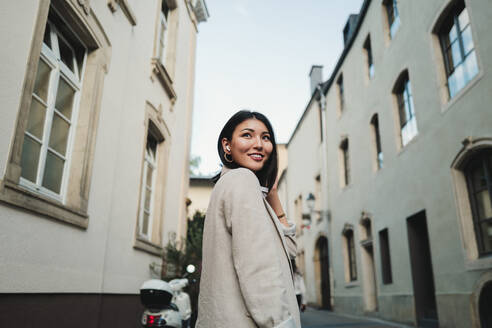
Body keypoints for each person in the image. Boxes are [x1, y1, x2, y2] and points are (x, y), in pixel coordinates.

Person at [196, 110, 300, 328]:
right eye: (247, 135)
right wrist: (281, 323)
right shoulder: (242, 181)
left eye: (266, 137)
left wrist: (272, 195)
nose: (259, 144)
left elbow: (289, 250)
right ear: (227, 145)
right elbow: (259, 267)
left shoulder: (235, 187)